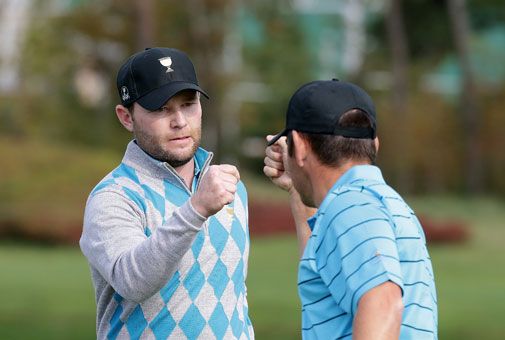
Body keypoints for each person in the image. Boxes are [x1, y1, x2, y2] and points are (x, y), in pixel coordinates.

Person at [80, 47, 254, 340]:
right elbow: (133, 280)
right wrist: (196, 208)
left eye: (188, 104)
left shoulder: (227, 186)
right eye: (161, 109)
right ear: (126, 117)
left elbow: (234, 295)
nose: (180, 121)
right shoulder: (114, 196)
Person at [264, 79, 437, 339]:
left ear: (298, 146)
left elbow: (383, 302)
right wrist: (296, 188)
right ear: (374, 145)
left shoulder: (351, 206)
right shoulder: (381, 202)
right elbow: (328, 272)